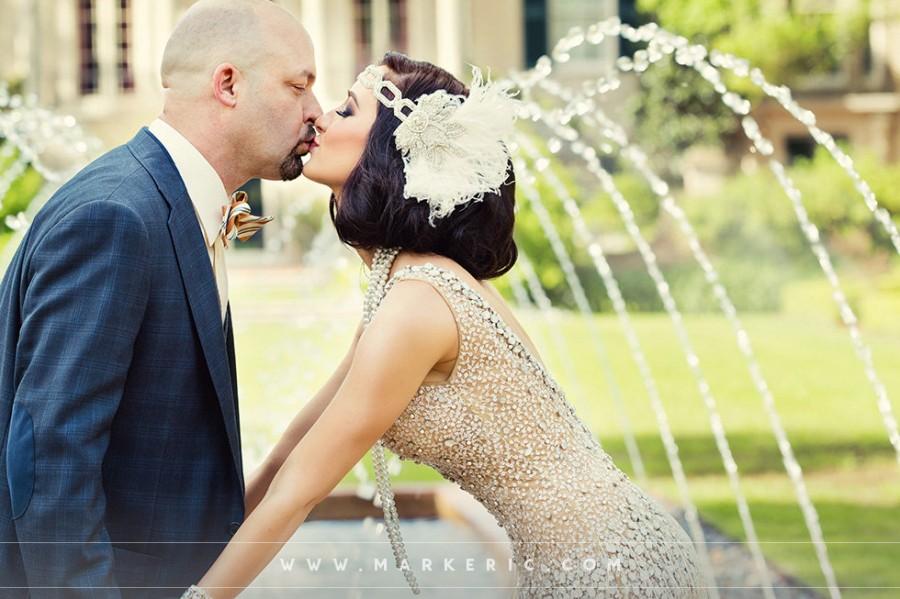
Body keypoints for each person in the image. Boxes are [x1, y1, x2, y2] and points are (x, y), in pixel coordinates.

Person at [179, 52, 712, 599]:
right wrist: (183, 562)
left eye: (346, 110)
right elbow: (291, 450)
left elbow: (301, 490)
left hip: (606, 569)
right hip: (590, 555)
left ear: (391, 148)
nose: (321, 119)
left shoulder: (418, 303)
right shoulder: (403, 291)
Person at [0, 0, 321, 596]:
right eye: (298, 86)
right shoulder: (115, 217)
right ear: (228, 83)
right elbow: (51, 463)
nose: (315, 114)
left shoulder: (163, 201)